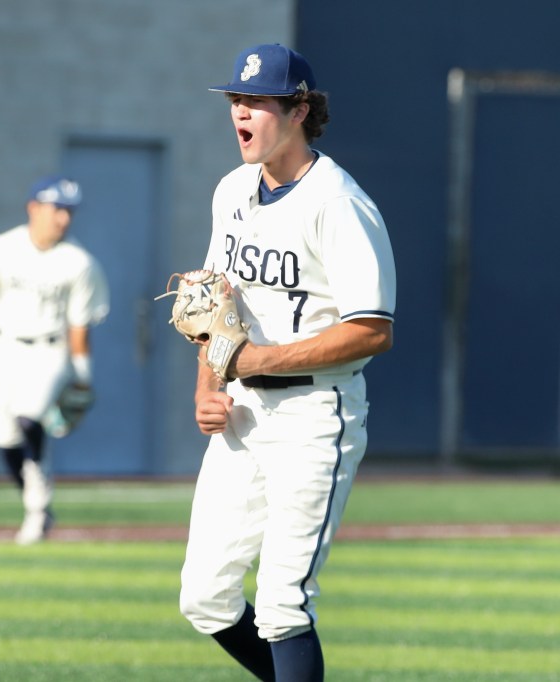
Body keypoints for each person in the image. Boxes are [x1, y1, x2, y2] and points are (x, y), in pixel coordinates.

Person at [177, 44, 396, 681]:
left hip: (314, 414)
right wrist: (206, 385)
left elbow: (373, 329)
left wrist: (261, 358)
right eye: (235, 101)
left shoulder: (337, 203)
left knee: (280, 605)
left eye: (255, 102)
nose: (240, 112)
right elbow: (213, 299)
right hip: (244, 413)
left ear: (299, 110)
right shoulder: (233, 190)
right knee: (205, 598)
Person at [0, 175, 109, 545]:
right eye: (56, 209)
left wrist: (83, 376)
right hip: (8, 350)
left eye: (69, 211)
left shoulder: (78, 262)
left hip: (51, 351)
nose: (63, 218)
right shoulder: (2, 248)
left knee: (29, 419)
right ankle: (39, 506)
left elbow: (80, 328)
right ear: (33, 207)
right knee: (3, 437)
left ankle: (35, 509)